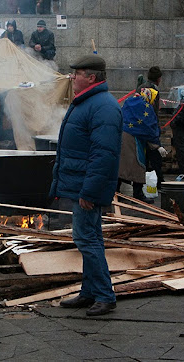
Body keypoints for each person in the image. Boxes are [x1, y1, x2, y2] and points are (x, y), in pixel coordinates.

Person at [51, 54, 121, 316]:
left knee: (86, 239)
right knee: (90, 238)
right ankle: (89, 292)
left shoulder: (102, 106)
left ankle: (104, 294)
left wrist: (89, 191)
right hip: (81, 184)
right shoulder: (89, 102)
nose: (72, 77)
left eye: (77, 73)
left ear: (91, 77)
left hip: (86, 188)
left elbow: (103, 155)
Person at [118, 87, 167, 204]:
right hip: (133, 139)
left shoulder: (131, 101)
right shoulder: (146, 108)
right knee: (139, 165)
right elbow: (148, 128)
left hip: (120, 134)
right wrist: (157, 145)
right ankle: (138, 195)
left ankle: (116, 193)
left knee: (120, 166)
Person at [137, 66, 164, 187]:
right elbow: (154, 110)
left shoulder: (140, 87)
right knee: (155, 155)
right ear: (158, 78)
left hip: (139, 124)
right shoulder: (154, 89)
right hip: (149, 124)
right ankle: (159, 181)